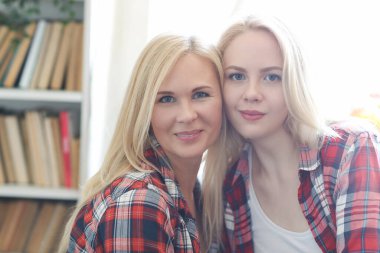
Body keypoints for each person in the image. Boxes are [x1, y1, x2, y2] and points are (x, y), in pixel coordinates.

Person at [202, 15, 380, 252]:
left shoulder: (350, 149)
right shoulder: (230, 184)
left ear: (295, 84)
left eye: (271, 77)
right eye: (237, 76)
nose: (252, 93)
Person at [58, 34, 225, 252]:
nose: (186, 115)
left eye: (200, 94)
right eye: (166, 99)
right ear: (145, 111)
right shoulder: (141, 201)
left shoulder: (196, 192)